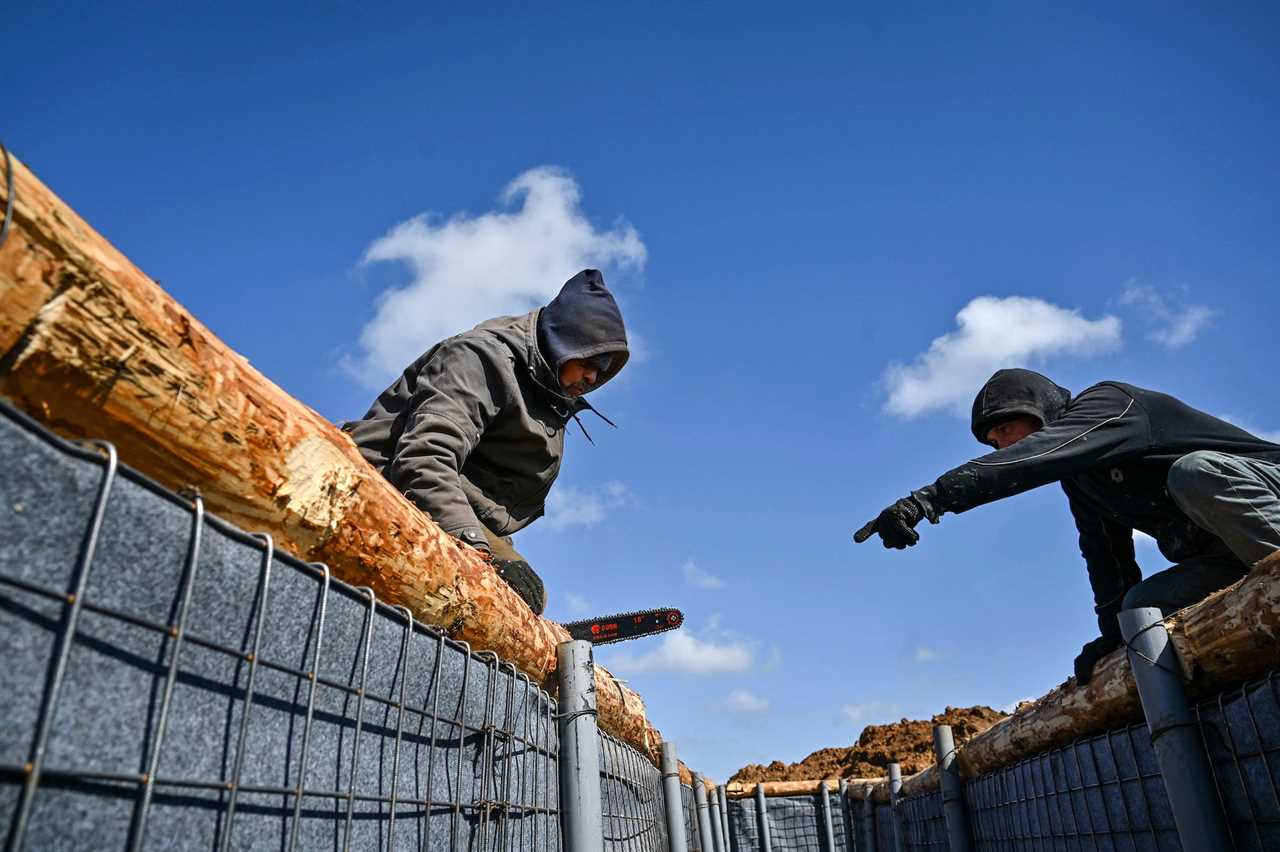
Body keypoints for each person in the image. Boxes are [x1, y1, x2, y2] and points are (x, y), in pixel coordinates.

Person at [853, 368, 1280, 683]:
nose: (1000, 445)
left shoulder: (1112, 405)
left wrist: (926, 500)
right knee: (1139, 610)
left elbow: (1035, 456)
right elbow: (1107, 560)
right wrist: (1113, 635)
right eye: (991, 443)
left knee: (1195, 472)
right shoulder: (1083, 481)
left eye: (1004, 428)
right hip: (1229, 556)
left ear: (1040, 412)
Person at [343, 269, 629, 615]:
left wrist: (499, 557)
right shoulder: (480, 359)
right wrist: (480, 550)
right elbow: (425, 456)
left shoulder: (547, 389)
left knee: (524, 596)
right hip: (382, 480)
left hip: (444, 500)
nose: (593, 377)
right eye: (590, 361)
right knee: (501, 595)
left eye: (604, 368)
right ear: (563, 341)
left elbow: (483, 496)